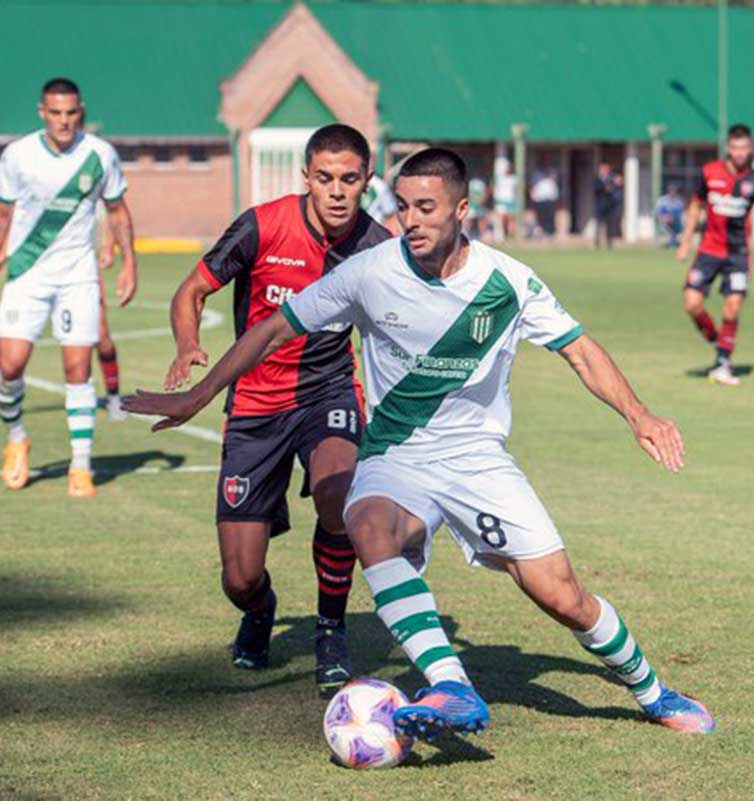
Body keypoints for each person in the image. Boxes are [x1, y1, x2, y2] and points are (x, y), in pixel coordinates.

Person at [124, 148, 715, 739]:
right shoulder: (369, 271)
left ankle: (652, 690)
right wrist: (198, 394)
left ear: (462, 209)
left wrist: (639, 414)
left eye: (427, 208)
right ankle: (451, 685)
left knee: (563, 599)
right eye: (403, 207)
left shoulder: (506, 281)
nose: (411, 220)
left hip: (477, 460)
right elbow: (277, 326)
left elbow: (579, 350)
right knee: (368, 523)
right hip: (396, 454)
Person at [159, 124, 391, 695]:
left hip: (328, 393)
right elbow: (190, 291)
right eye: (325, 178)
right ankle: (260, 612)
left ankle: (331, 630)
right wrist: (189, 346)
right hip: (255, 405)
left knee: (340, 493)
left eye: (350, 179)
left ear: (366, 180)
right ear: (306, 178)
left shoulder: (379, 248)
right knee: (239, 577)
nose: (337, 191)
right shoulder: (263, 225)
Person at [0, 77, 137, 498]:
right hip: (26, 274)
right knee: (9, 367)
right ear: (42, 112)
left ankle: (80, 465)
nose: (64, 121)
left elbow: (118, 211)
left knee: (77, 369)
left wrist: (129, 265)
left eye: (71, 113)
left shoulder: (100, 155)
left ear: (79, 111)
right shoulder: (18, 155)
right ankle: (16, 438)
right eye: (55, 113)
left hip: (77, 276)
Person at [0, 211, 128, 422]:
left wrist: (107, 246)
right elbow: (12, 213)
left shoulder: (83, 180)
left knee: (101, 334)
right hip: (33, 267)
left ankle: (114, 397)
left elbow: (108, 211)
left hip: (77, 271)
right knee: (9, 333)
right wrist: (3, 252)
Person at [676, 124, 754, 386]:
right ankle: (718, 341)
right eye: (735, 147)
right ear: (728, 148)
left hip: (738, 255)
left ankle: (722, 363)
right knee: (692, 303)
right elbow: (696, 204)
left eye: (744, 148)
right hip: (708, 250)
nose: (740, 153)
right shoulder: (709, 172)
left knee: (732, 307)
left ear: (750, 149)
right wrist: (685, 241)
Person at [593, 163, 621, 249]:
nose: (605, 172)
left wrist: (616, 183)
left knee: (610, 225)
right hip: (600, 206)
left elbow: (616, 188)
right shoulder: (597, 180)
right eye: (604, 170)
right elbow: (596, 189)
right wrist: (605, 187)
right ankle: (597, 243)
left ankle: (609, 242)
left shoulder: (611, 180)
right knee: (599, 225)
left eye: (607, 170)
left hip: (610, 206)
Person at [529, 167, 559, 238]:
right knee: (540, 219)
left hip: (549, 203)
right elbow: (534, 194)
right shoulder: (539, 182)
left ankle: (549, 233)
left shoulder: (551, 182)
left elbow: (554, 194)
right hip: (540, 203)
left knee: (549, 218)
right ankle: (541, 233)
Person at [654, 184, 685, 248]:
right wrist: (665, 217)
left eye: (674, 191)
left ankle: (673, 242)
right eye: (671, 190)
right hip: (663, 221)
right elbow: (659, 211)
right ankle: (671, 241)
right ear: (668, 191)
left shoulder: (678, 201)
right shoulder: (662, 200)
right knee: (665, 221)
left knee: (680, 223)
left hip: (676, 221)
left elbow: (679, 212)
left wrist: (672, 217)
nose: (672, 192)